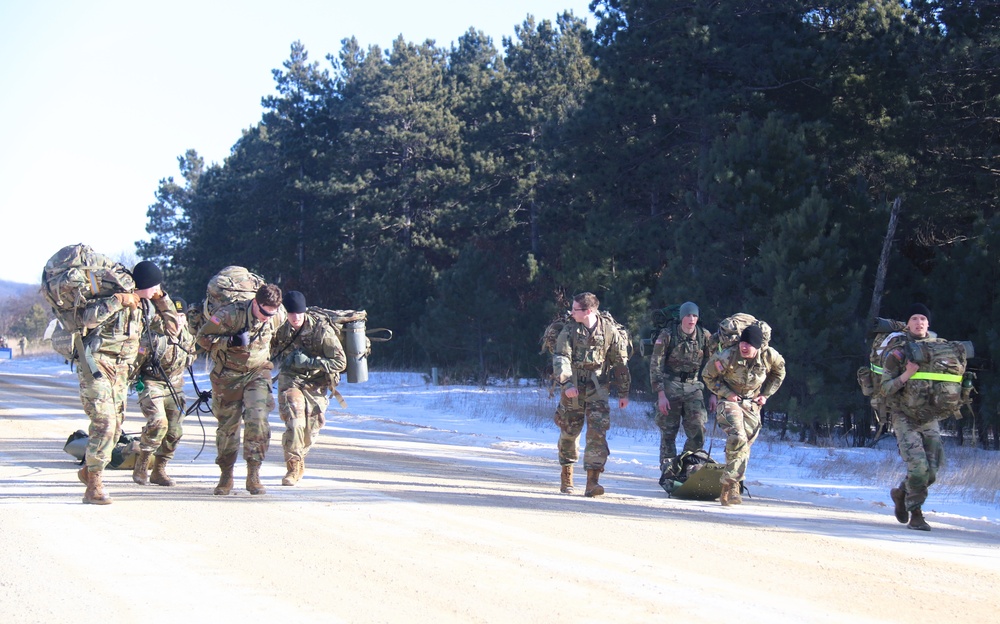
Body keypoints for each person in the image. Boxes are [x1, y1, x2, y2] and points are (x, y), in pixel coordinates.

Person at [77, 260, 180, 504]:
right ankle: (94, 486)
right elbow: (86, 319)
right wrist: (119, 300)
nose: (156, 290)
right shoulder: (115, 298)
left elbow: (174, 329)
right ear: (142, 284)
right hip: (97, 365)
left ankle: (89, 471)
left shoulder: (147, 307)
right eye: (154, 286)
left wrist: (162, 299)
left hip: (122, 371)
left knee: (115, 429)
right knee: (105, 424)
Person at [196, 283, 286, 496]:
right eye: (263, 312)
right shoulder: (229, 314)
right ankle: (226, 474)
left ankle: (253, 473)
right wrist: (230, 341)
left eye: (270, 313)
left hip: (258, 372)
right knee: (228, 426)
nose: (266, 317)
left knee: (258, 418)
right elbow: (202, 339)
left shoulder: (276, 316)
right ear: (255, 303)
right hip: (228, 375)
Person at [552, 292, 631, 497]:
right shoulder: (569, 330)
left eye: (575, 309)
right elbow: (561, 357)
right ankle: (567, 473)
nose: (571, 312)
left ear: (588, 311)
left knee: (597, 433)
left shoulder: (608, 331)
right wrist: (567, 383)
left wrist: (624, 392)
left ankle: (592, 482)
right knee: (569, 431)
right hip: (573, 387)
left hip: (598, 389)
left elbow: (620, 363)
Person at [702, 324, 785, 506]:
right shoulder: (727, 356)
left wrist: (766, 395)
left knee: (743, 445)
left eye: (749, 344)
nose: (744, 347)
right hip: (729, 401)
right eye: (742, 343)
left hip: (751, 403)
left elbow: (779, 373)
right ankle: (730, 485)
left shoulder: (769, 356)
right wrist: (725, 392)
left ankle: (731, 486)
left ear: (758, 346)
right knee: (738, 435)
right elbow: (707, 376)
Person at [271, 291, 347, 486]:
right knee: (295, 421)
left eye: (298, 313)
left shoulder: (321, 331)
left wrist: (311, 362)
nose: (295, 318)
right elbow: (268, 349)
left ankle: (299, 456)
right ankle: (293, 467)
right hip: (291, 380)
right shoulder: (282, 329)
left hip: (316, 383)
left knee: (312, 429)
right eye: (291, 313)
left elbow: (340, 362)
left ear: (304, 311)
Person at [880, 303, 944, 531]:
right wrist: (907, 374)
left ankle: (901, 493)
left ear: (928, 323)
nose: (919, 322)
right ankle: (916, 514)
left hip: (930, 416)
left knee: (932, 472)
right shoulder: (898, 352)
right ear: (908, 323)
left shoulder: (940, 350)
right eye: (914, 318)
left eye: (923, 319)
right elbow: (885, 388)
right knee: (918, 468)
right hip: (904, 415)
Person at [131, 296, 197, 486]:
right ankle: (143, 462)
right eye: (175, 316)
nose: (179, 320)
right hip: (152, 382)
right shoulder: (153, 337)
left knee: (175, 430)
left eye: (182, 316)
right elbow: (136, 362)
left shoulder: (187, 336)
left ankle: (159, 469)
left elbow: (192, 355)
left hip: (175, 385)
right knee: (158, 423)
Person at [648, 301, 716, 477]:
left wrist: (714, 393)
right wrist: (661, 394)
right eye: (688, 315)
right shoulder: (667, 335)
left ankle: (689, 465)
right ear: (681, 317)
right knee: (668, 431)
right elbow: (655, 366)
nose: (691, 319)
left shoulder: (704, 336)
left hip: (694, 387)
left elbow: (713, 366)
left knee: (698, 427)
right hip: (671, 385)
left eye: (694, 315)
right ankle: (669, 468)